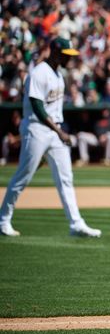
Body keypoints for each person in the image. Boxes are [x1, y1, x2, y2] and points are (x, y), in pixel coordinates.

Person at [0, 38, 101, 238]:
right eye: (66, 54)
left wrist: (58, 132)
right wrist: (60, 132)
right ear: (55, 51)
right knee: (23, 176)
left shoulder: (58, 74)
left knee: (66, 178)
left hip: (54, 131)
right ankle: (3, 220)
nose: (69, 58)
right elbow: (37, 107)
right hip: (37, 129)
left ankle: (76, 224)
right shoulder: (39, 73)